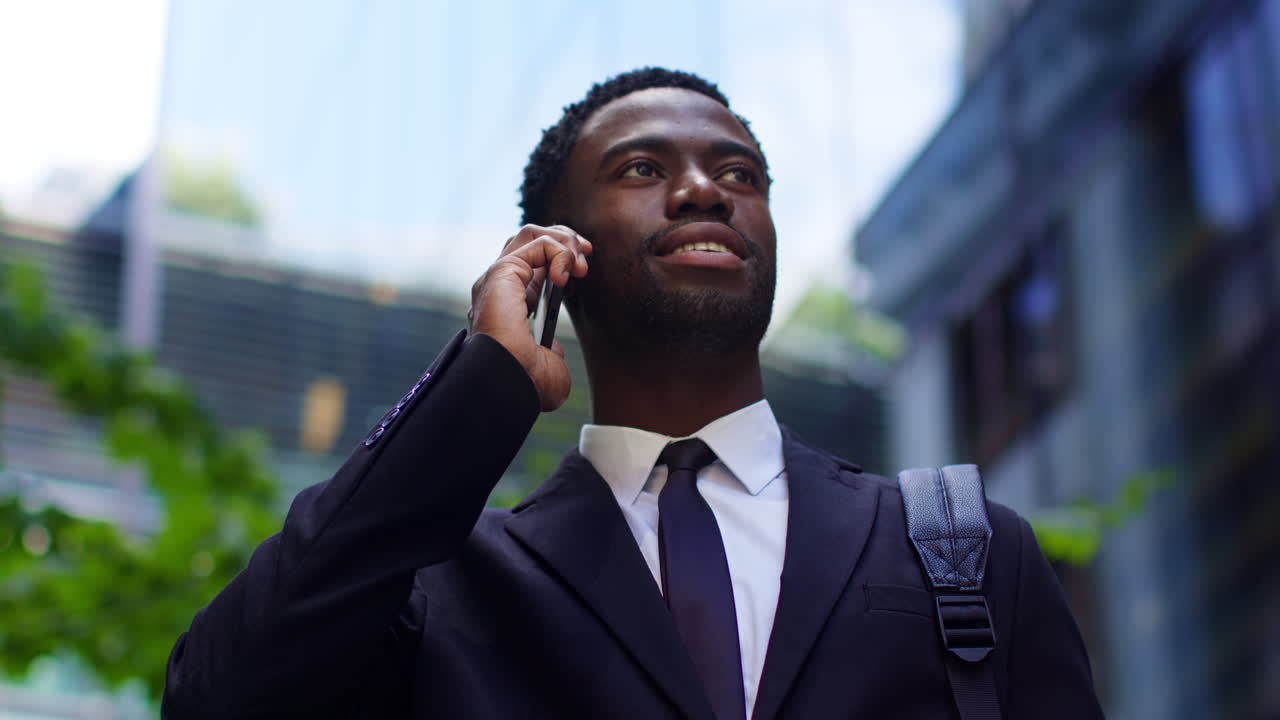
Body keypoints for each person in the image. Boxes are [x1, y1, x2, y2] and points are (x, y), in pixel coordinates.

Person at [162, 68, 1104, 719]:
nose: (705, 190)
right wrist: (477, 387)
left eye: (740, 173)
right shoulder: (446, 581)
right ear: (555, 251)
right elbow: (222, 698)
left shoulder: (960, 546)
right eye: (643, 169)